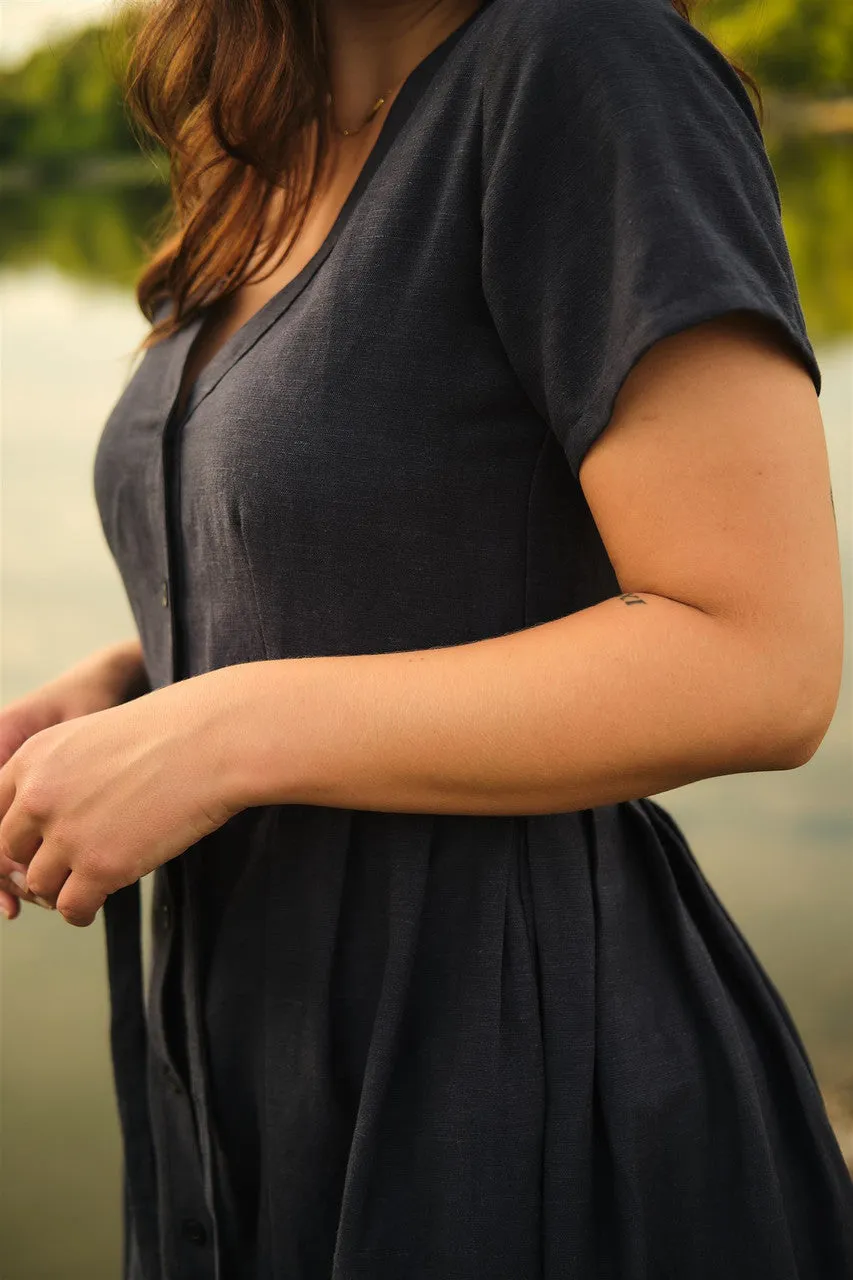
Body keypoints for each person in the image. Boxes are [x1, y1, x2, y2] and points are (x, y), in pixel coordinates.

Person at [1, 0, 852, 1275]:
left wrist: (217, 733)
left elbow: (760, 660)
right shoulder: (258, 147)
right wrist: (128, 688)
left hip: (512, 1080)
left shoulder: (586, 64)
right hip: (247, 1076)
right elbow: (377, 558)